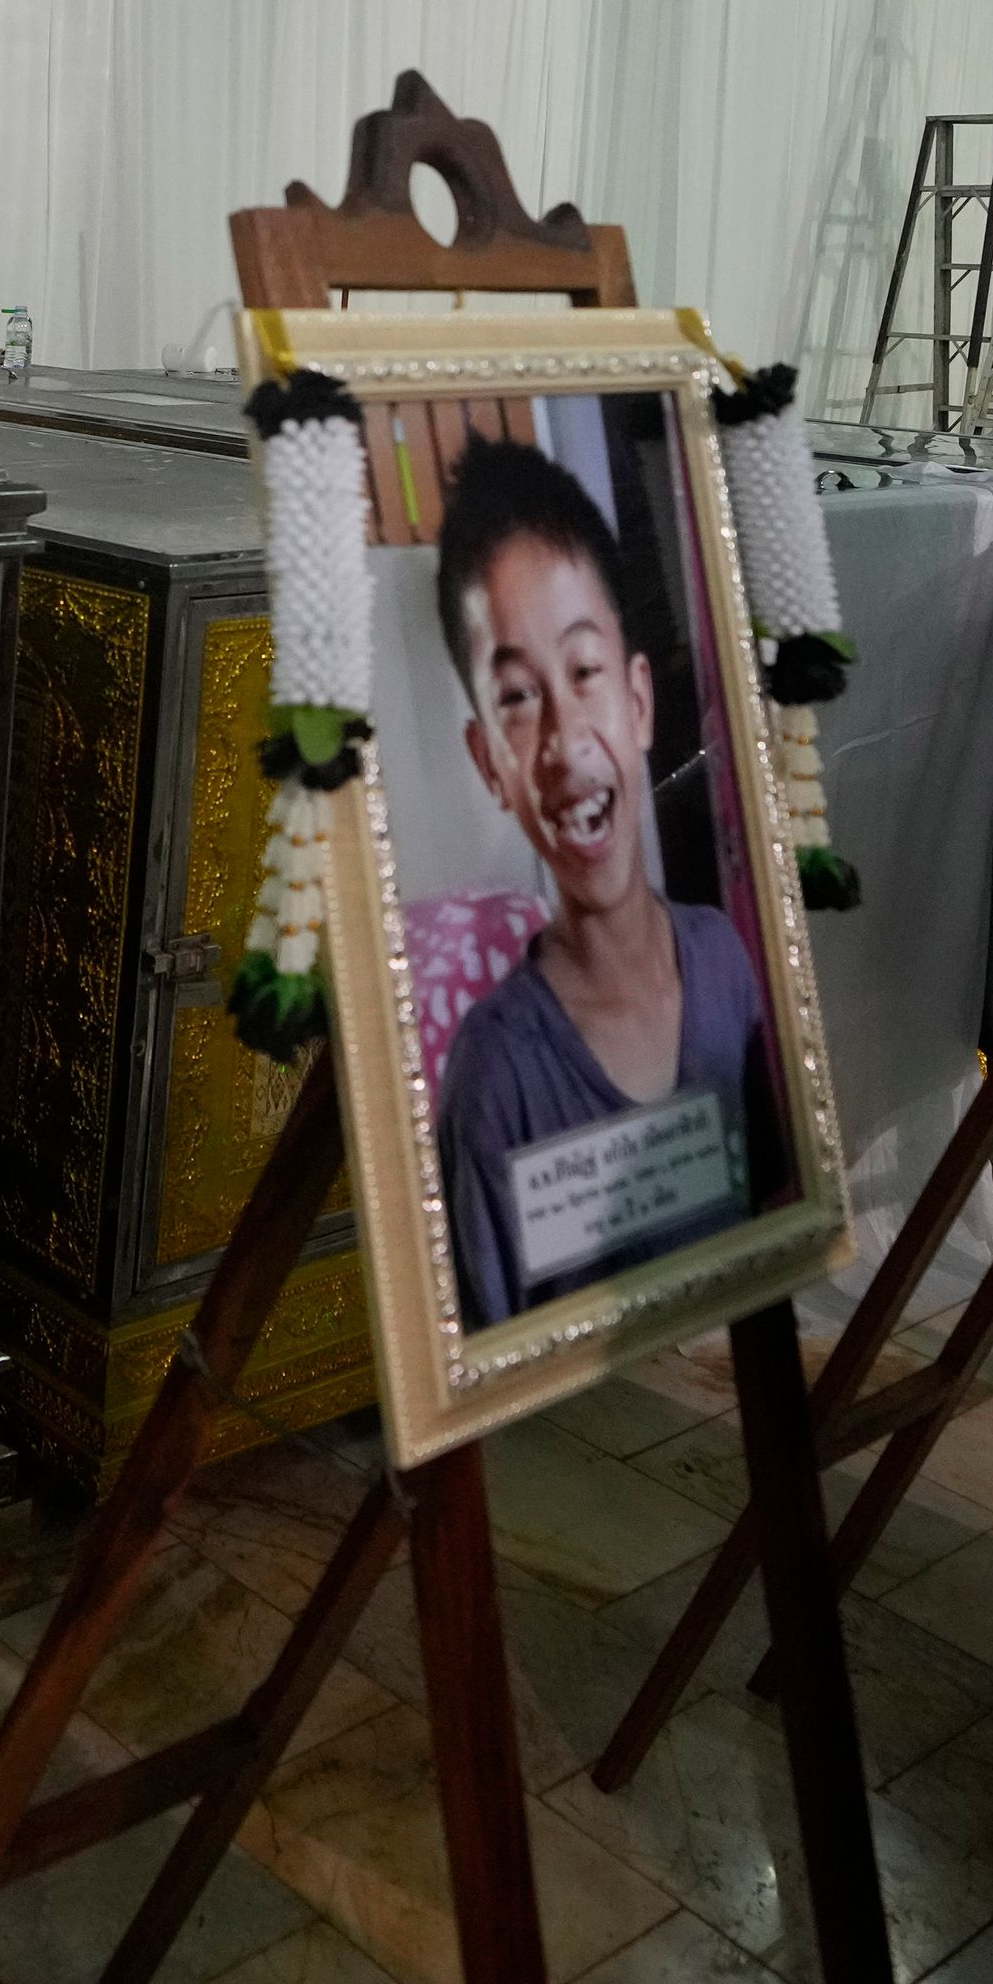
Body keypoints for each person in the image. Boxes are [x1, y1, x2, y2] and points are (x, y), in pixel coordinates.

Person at [427, 432, 770, 1330]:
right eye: (516, 697)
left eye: (584, 673)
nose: (567, 739)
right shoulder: (496, 1078)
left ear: (641, 698)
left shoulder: (729, 965)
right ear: (490, 763)